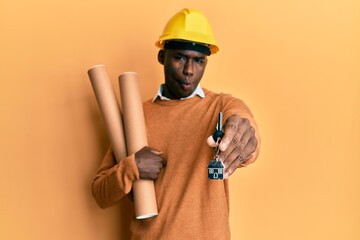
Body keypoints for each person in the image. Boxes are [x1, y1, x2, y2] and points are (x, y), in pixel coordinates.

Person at [92, 8, 261, 240]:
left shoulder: (222, 107)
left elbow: (244, 126)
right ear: (162, 57)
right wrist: (132, 167)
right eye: (180, 57)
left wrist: (244, 134)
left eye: (199, 61)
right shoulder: (136, 116)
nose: (189, 70)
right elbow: (100, 194)